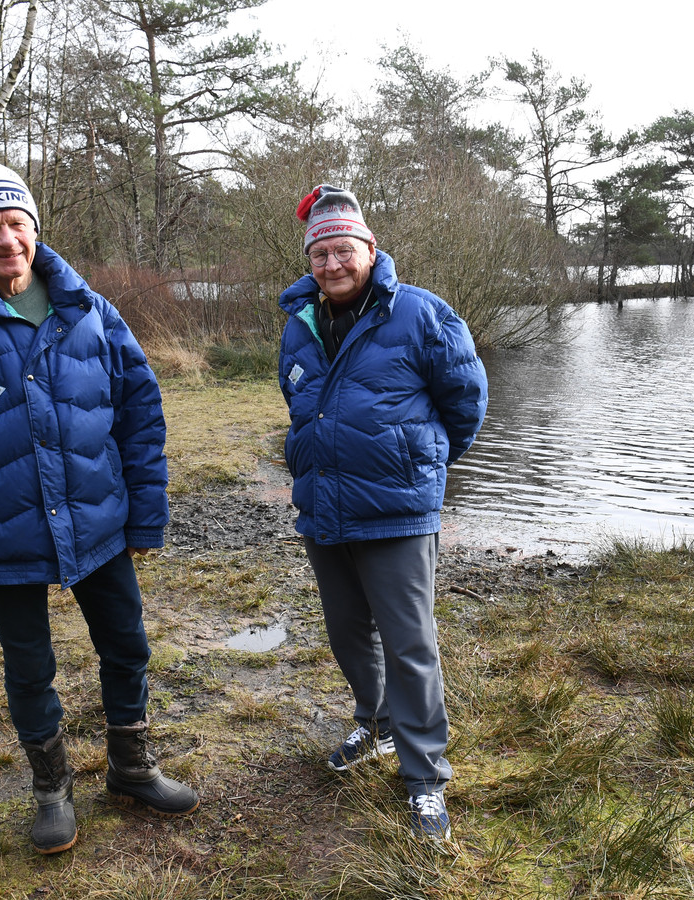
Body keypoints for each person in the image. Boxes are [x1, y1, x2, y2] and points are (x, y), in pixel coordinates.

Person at [0, 159, 198, 855]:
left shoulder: (91, 311)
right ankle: (51, 792)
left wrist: (144, 515)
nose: (5, 239)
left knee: (127, 645)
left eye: (15, 224)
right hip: (2, 537)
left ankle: (132, 767)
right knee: (29, 667)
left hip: (98, 523)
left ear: (35, 230)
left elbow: (140, 417)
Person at [277, 184, 488, 841]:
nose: (333, 264)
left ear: (370, 250)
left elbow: (466, 399)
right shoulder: (300, 321)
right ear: (309, 261)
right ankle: (375, 723)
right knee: (346, 631)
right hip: (325, 506)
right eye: (321, 254)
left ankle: (425, 778)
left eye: (344, 250)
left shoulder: (421, 313)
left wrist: (419, 463)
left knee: (410, 644)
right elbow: (302, 402)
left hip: (398, 510)